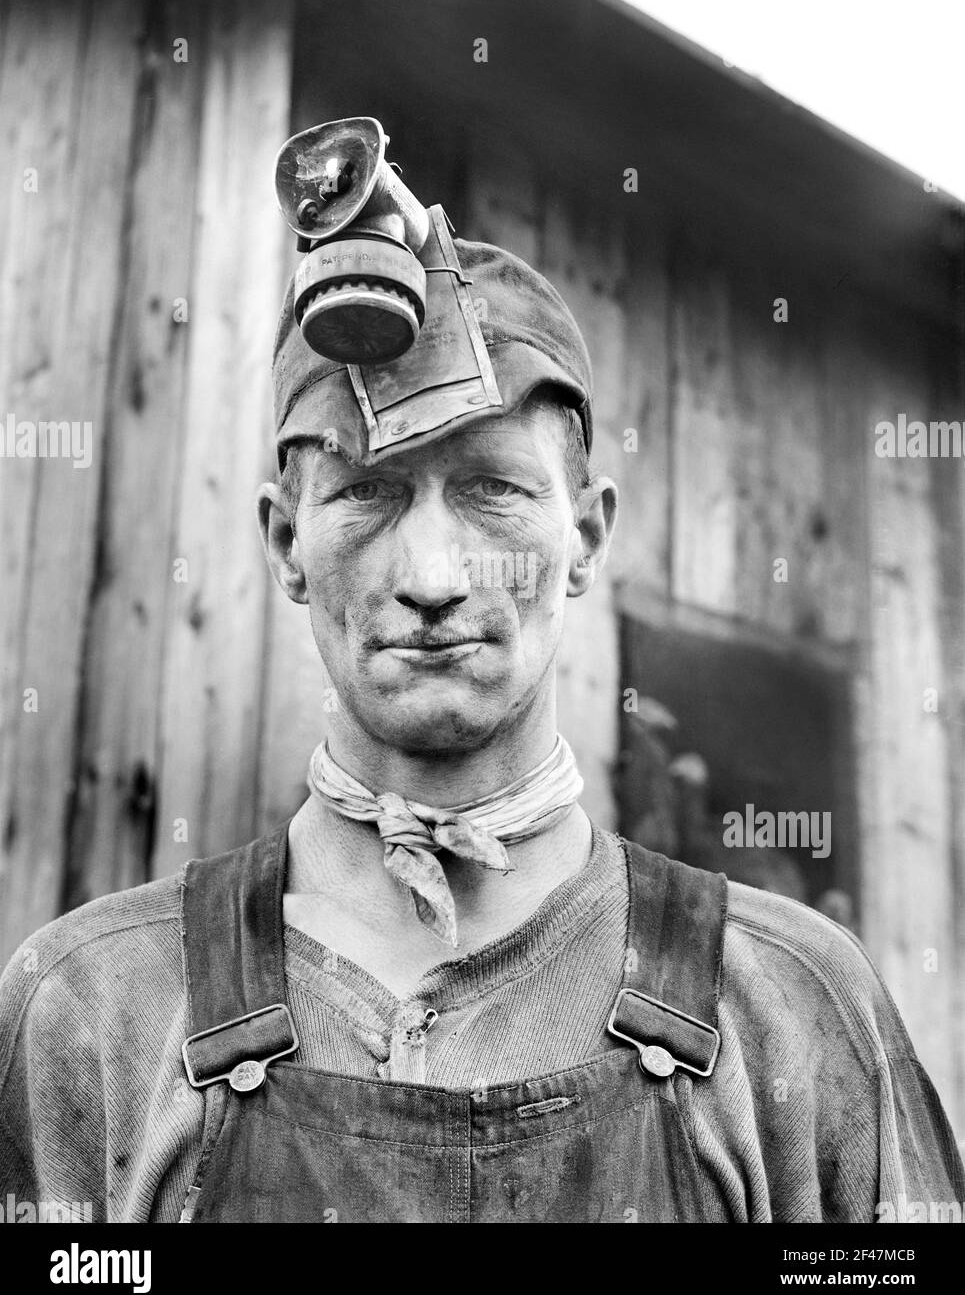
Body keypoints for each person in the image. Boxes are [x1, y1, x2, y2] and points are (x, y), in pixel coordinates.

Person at [1, 123, 962, 1224]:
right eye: (364, 494)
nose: (433, 576)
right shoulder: (93, 1011)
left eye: (492, 491)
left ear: (587, 537)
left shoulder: (792, 1005)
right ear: (283, 545)